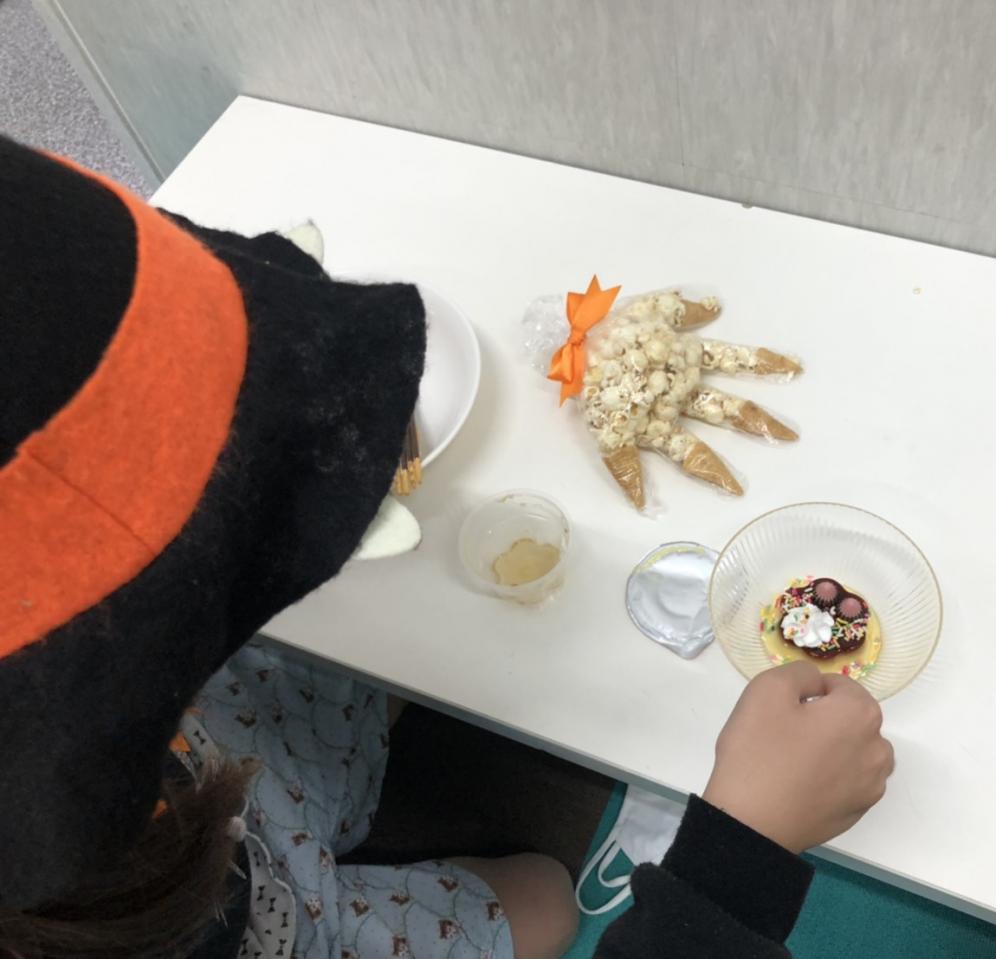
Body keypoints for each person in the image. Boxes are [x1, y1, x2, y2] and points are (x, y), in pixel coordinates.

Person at [0, 135, 893, 959]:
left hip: (232, 779)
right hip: (282, 929)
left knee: (363, 683)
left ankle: (333, 805)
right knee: (548, 901)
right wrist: (739, 858)